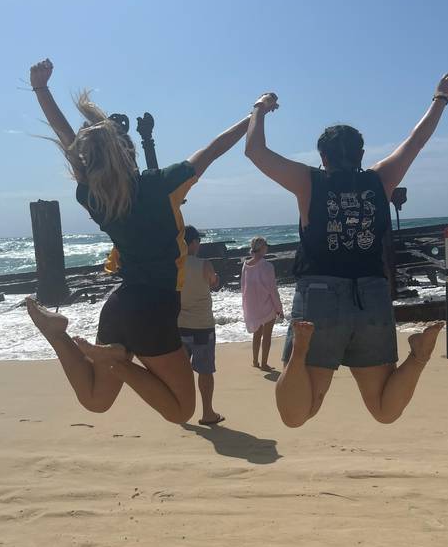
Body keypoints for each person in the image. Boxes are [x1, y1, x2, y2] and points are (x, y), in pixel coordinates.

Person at [25, 58, 272, 423]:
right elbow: (215, 147)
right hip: (152, 308)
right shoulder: (159, 185)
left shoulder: (94, 196)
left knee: (96, 400)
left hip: (121, 305)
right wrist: (256, 112)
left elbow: (68, 142)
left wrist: (41, 89)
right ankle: (115, 362)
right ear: (129, 152)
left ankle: (59, 336)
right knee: (181, 409)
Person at [244, 76, 448, 428]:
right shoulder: (381, 179)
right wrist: (441, 97)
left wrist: (260, 108)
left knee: (297, 415)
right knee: (384, 411)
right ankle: (418, 356)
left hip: (319, 297)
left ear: (323, 157)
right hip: (372, 295)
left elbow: (255, 151)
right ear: (360, 155)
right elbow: (417, 141)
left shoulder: (309, 181)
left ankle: (300, 351)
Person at [177, 225, 224, 425]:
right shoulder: (205, 264)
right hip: (203, 325)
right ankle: (207, 413)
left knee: (181, 371)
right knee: (205, 371)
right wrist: (215, 280)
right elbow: (213, 282)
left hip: (180, 324)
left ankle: (180, 412)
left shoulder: (175, 265)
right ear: (194, 243)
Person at [240, 237, 284, 371]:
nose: (267, 248)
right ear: (262, 248)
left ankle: (255, 361)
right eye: (266, 245)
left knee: (257, 334)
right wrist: (279, 308)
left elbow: (243, 287)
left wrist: (245, 306)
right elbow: (272, 289)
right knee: (267, 335)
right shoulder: (267, 266)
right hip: (267, 304)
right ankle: (264, 364)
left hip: (252, 305)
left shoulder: (245, 265)